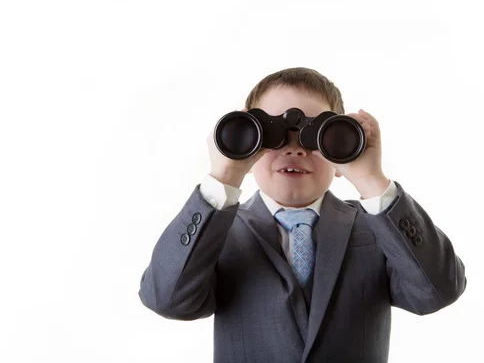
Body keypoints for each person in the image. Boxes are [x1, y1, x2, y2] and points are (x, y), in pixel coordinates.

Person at [138, 67, 467, 363]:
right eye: (270, 136)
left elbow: (437, 290)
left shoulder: (375, 227)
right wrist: (224, 175)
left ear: (341, 149)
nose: (293, 149)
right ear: (248, 143)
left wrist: (371, 181)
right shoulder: (219, 230)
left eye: (317, 137)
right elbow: (167, 299)